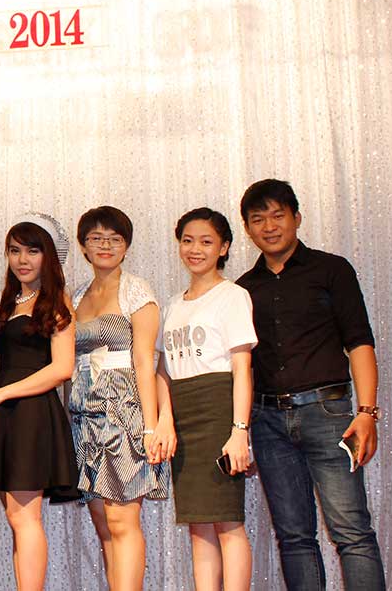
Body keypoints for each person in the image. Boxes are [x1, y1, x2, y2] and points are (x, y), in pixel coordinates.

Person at [236, 179, 385, 590]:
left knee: (351, 532)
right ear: (247, 228)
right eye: (258, 219)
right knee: (294, 538)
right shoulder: (243, 289)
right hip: (267, 421)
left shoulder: (331, 270)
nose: (269, 226)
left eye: (278, 215)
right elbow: (239, 366)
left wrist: (367, 413)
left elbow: (359, 342)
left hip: (329, 414)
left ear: (297, 218)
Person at [0, 217, 80, 591]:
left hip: (32, 413)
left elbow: (62, 368)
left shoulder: (56, 300)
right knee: (17, 517)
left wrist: (0, 394)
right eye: (15, 250)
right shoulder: (10, 300)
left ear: (48, 256)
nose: (22, 259)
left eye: (32, 251)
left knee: (25, 518)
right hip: (6, 414)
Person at [155, 208, 256, 591]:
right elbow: (162, 371)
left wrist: (239, 431)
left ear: (224, 247)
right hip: (182, 417)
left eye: (206, 241)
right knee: (198, 525)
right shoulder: (171, 305)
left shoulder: (233, 296)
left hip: (218, 412)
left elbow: (242, 368)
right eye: (187, 240)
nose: (195, 249)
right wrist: (165, 419)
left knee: (228, 522)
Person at [70, 205, 167, 591]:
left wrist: (150, 426)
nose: (105, 245)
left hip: (123, 410)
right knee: (102, 522)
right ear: (83, 246)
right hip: (84, 413)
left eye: (114, 238)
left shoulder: (136, 291)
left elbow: (145, 361)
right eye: (96, 238)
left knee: (122, 520)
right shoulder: (77, 296)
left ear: (126, 246)